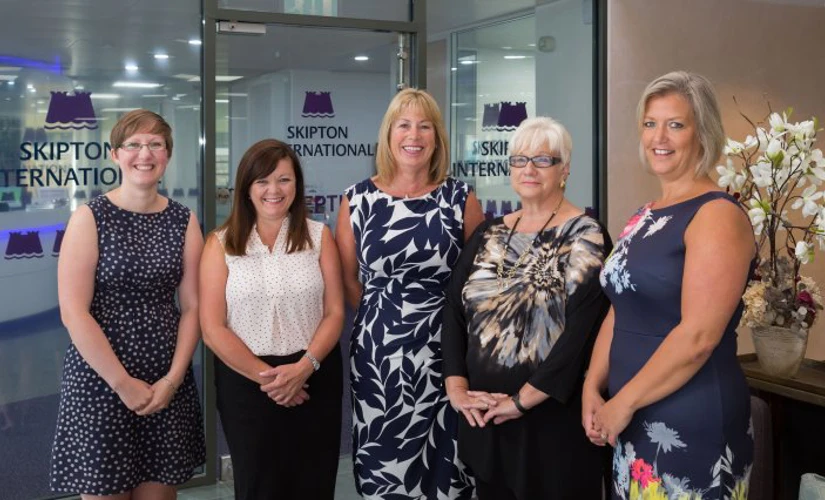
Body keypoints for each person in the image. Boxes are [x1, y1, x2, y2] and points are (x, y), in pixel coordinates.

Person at [584, 71, 755, 498]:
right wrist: (593, 385)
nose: (659, 136)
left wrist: (621, 404)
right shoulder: (645, 213)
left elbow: (698, 336)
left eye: (675, 124)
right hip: (630, 414)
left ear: (703, 133)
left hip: (688, 419)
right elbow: (621, 305)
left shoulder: (717, 215)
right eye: (650, 123)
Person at [442, 116, 612, 499]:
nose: (528, 169)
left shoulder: (587, 234)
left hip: (552, 423)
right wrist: (457, 387)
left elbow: (582, 335)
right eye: (519, 159)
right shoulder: (490, 232)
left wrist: (522, 401)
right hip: (486, 420)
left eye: (542, 160)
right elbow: (453, 309)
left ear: (565, 168)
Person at [336, 88, 485, 499]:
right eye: (404, 124)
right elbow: (349, 280)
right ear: (388, 134)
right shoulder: (357, 200)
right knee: (383, 460)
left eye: (424, 126)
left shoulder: (460, 198)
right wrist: (385, 318)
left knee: (448, 467)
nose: (413, 135)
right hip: (379, 357)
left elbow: (478, 281)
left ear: (436, 137)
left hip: (447, 353)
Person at [50, 109, 205, 499]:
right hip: (101, 383)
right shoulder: (90, 218)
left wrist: (171, 380)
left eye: (155, 144)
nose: (145, 154)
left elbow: (193, 307)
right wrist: (122, 384)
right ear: (115, 154)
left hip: (165, 384)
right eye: (133, 144)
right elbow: (74, 312)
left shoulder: (184, 221)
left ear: (168, 155)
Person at [200, 139, 344, 500]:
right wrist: (270, 380)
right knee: (258, 486)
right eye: (262, 181)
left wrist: (303, 368)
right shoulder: (220, 243)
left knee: (313, 483)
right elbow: (212, 327)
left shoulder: (318, 237)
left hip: (314, 375)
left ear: (297, 185)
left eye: (284, 179)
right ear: (246, 188)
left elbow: (335, 311)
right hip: (245, 383)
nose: (273, 190)